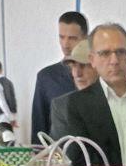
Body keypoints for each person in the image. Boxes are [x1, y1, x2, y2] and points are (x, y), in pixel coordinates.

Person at [49, 23, 126, 166]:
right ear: (92, 59)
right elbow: (79, 161)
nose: (114, 61)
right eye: (105, 53)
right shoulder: (77, 105)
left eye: (120, 52)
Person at [31, 11, 87, 139]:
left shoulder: (99, 76)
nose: (65, 44)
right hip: (57, 150)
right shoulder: (46, 78)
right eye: (61, 37)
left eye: (72, 38)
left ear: (85, 38)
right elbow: (39, 129)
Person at [0, 59, 18, 144]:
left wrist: (10, 117)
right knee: (10, 141)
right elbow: (13, 100)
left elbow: (2, 102)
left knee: (6, 142)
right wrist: (13, 118)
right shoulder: (9, 82)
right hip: (10, 116)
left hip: (1, 116)